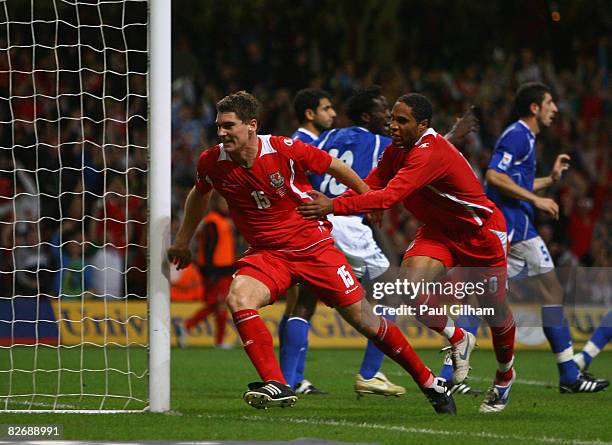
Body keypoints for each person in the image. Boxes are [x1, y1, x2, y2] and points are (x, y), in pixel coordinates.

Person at [168, 91, 457, 414]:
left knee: (366, 321)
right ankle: (278, 384)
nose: (221, 133)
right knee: (238, 298)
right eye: (219, 126)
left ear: (252, 126)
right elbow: (199, 193)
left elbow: (334, 166)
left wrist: (368, 198)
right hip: (267, 254)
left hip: (313, 247)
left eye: (229, 126)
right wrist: (182, 240)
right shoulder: (212, 161)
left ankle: (430, 381)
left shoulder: (282, 148)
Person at [298, 93, 517, 413]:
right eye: (393, 119)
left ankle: (504, 377)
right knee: (409, 289)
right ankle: (458, 336)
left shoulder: (429, 152)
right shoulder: (396, 150)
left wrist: (332, 205)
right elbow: (370, 185)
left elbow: (388, 197)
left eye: (402, 121)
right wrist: (334, 208)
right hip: (438, 232)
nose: (393, 125)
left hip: (480, 234)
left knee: (496, 314)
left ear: (423, 125)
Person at [482, 82, 608, 394]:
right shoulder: (518, 134)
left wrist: (549, 181)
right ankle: (568, 373)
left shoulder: (526, 137)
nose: (555, 108)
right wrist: (536, 201)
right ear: (535, 108)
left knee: (526, 293)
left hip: (515, 224)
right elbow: (494, 176)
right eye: (550, 102)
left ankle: (568, 373)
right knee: (512, 294)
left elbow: (515, 181)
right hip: (511, 224)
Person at [281, 86, 404, 397]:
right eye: (383, 109)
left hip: (315, 221)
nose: (388, 115)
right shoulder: (380, 141)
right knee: (391, 291)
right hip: (345, 220)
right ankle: (370, 373)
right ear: (367, 116)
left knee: (304, 304)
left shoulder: (325, 138)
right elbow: (416, 157)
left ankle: (284, 382)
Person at [276, 88, 337, 395]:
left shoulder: (308, 143)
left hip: (303, 232)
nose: (333, 114)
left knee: (298, 306)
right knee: (302, 305)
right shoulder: (300, 145)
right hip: (304, 233)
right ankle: (291, 380)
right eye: (327, 109)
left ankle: (292, 378)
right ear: (310, 114)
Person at [177, 192, 235, 348]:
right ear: (216, 203)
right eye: (223, 202)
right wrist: (211, 271)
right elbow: (208, 248)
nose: (226, 205)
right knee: (220, 305)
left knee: (215, 305)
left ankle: (186, 327)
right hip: (216, 270)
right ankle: (218, 341)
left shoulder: (222, 221)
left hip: (223, 269)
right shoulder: (213, 222)